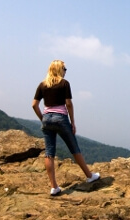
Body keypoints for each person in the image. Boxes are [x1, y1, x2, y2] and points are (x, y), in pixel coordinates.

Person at [32, 60, 100, 196]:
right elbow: (68, 104)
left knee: (49, 153)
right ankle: (89, 175)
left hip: (47, 118)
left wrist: (43, 119)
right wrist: (72, 122)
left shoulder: (42, 84)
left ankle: (54, 187)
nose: (65, 71)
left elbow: (34, 105)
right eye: (64, 68)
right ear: (58, 69)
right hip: (60, 119)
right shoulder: (64, 83)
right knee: (74, 148)